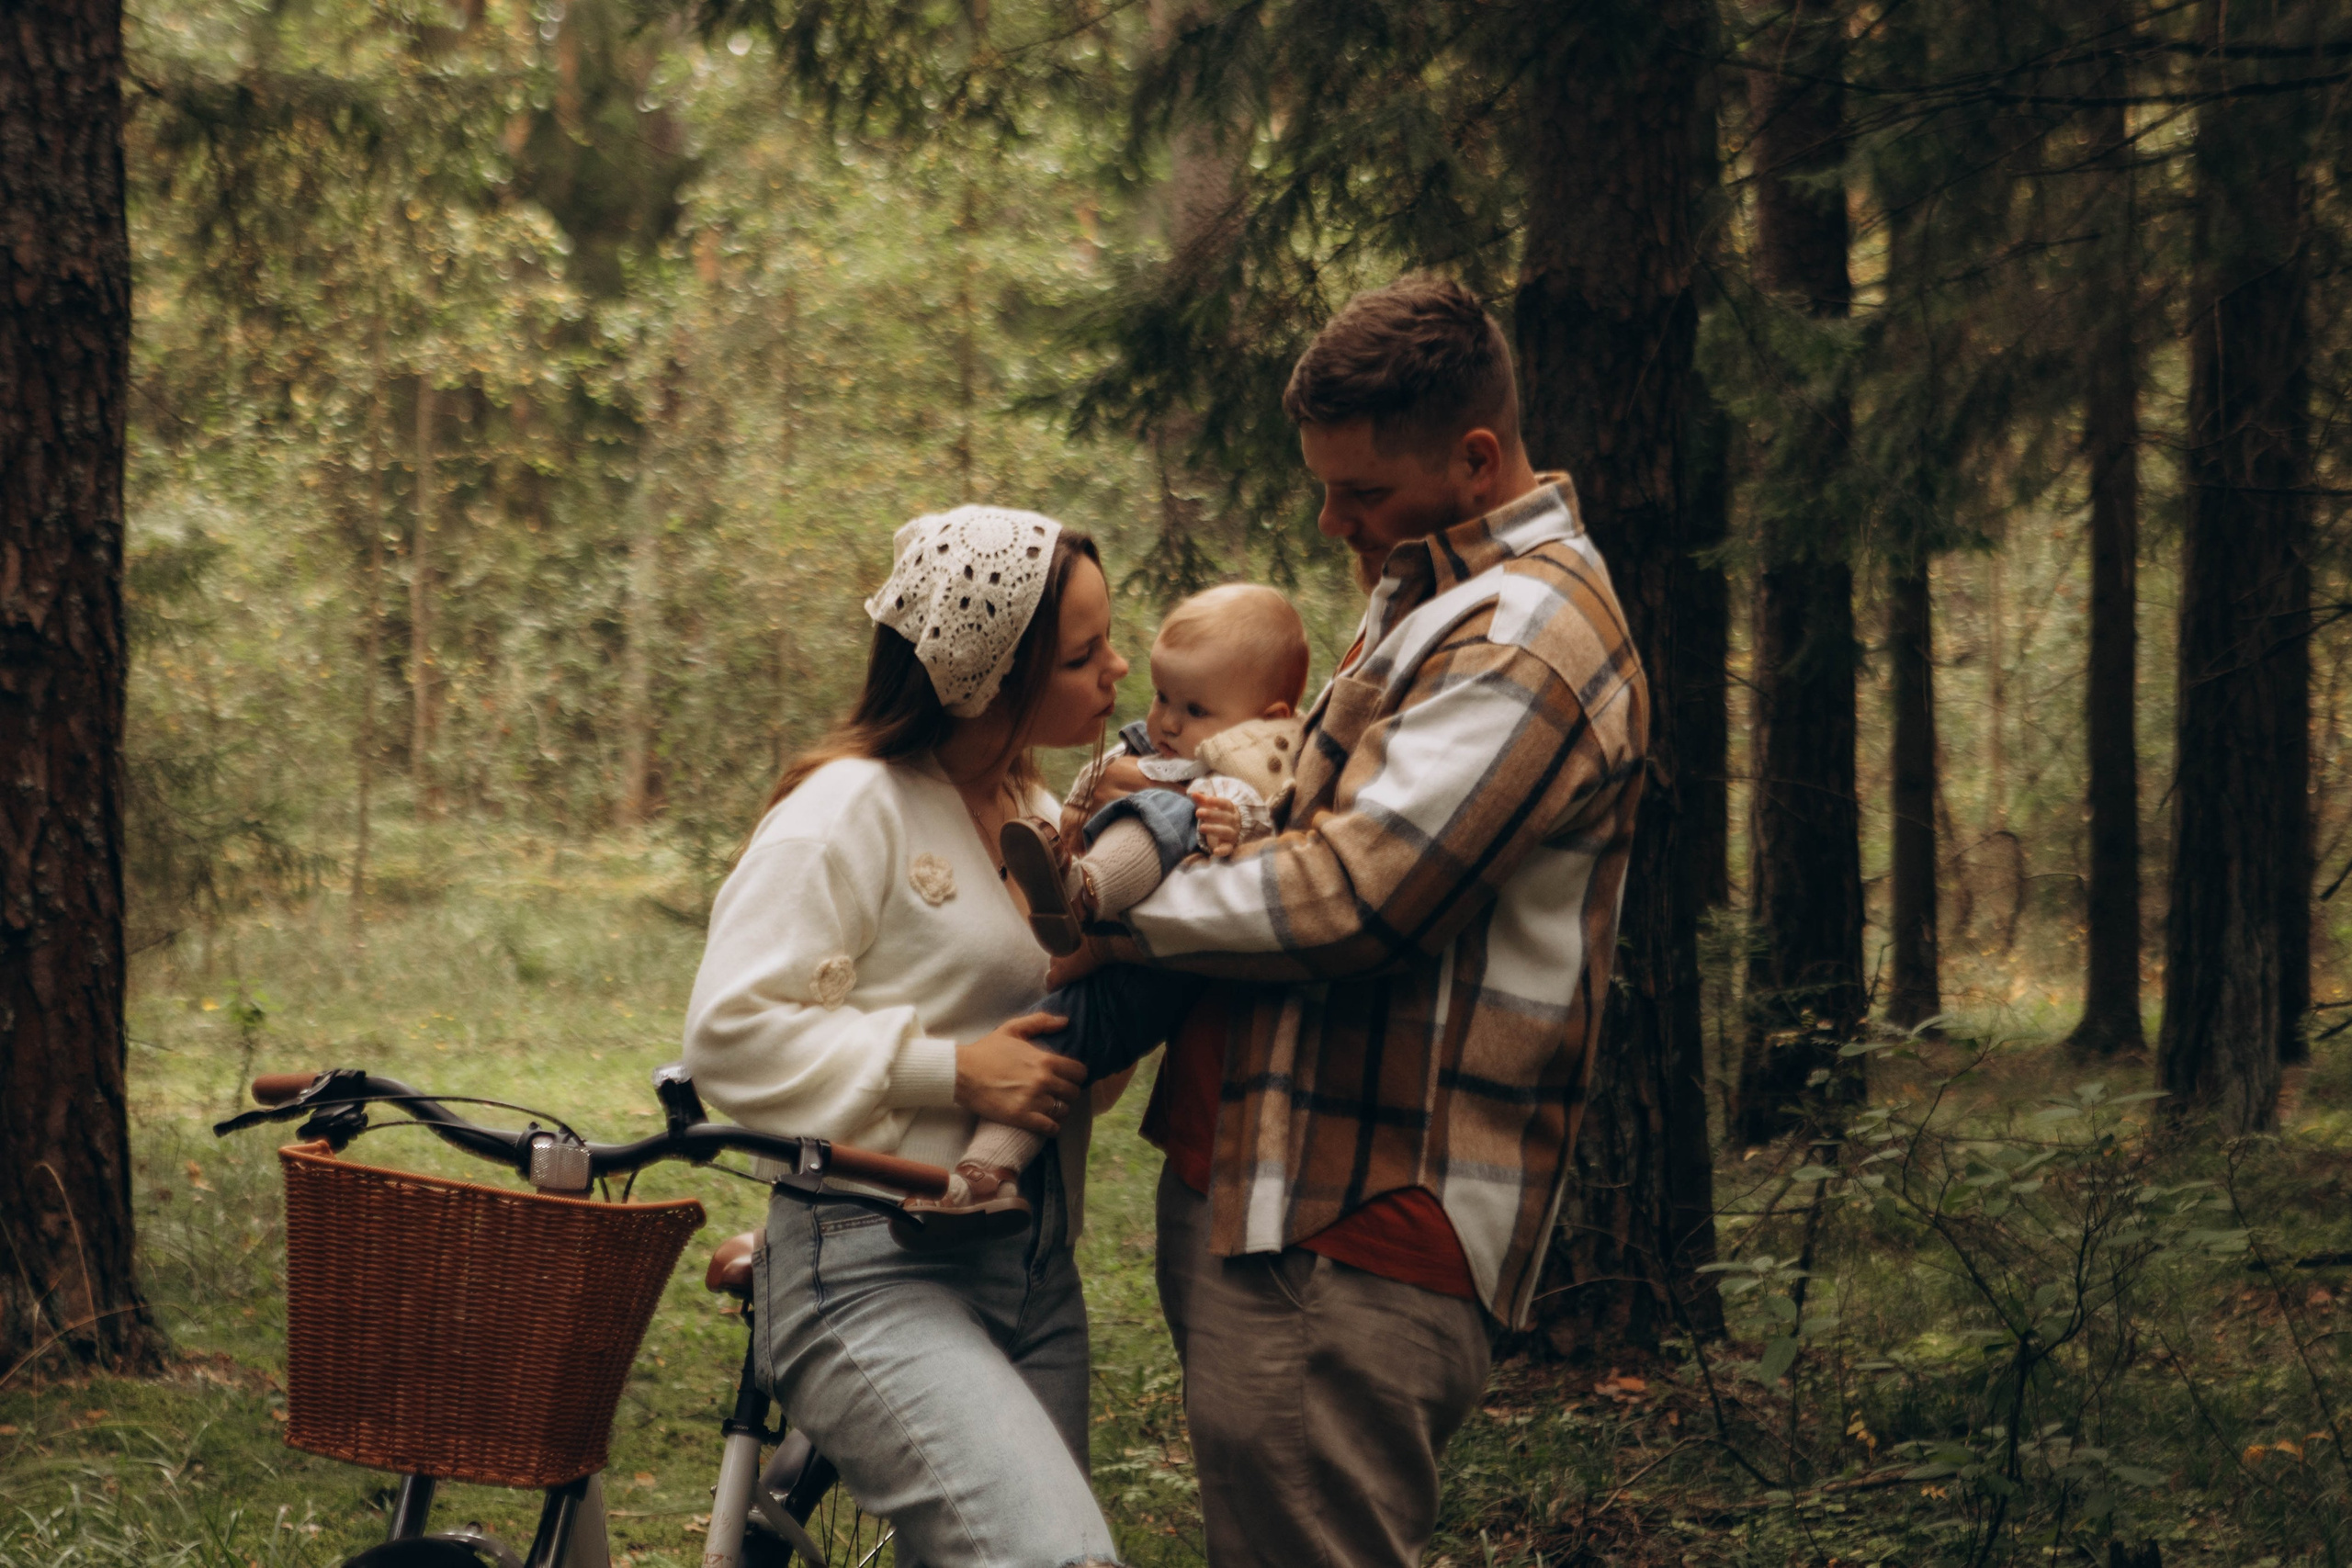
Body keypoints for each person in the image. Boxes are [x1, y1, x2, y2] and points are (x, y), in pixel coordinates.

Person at [1091, 276, 1650, 1568]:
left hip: (1354, 1225)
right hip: (1281, 1196)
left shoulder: (1527, 636)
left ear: (1475, 458)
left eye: (1361, 490)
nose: (1331, 518)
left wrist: (1112, 912)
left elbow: (1357, 895)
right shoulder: (1440, 588)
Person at [680, 504, 1127, 1568]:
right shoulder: (848, 808)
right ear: (990, 676)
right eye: (1082, 655)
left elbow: (1060, 1055)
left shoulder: (1038, 811)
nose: (1119, 669)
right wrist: (952, 1071)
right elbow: (729, 1033)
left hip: (1034, 1267)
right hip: (872, 1265)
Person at [935, 582, 1312, 1208]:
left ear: (1266, 719)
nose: (1167, 721)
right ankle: (986, 1174)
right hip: (1129, 975)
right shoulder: (1151, 750)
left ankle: (1081, 891)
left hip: (1179, 965)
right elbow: (1096, 780)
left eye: (1195, 709)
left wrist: (1238, 826)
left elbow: (1268, 824)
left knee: (1172, 809)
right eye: (1163, 696)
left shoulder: (1252, 772)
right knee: (1056, 1038)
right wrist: (1076, 811)